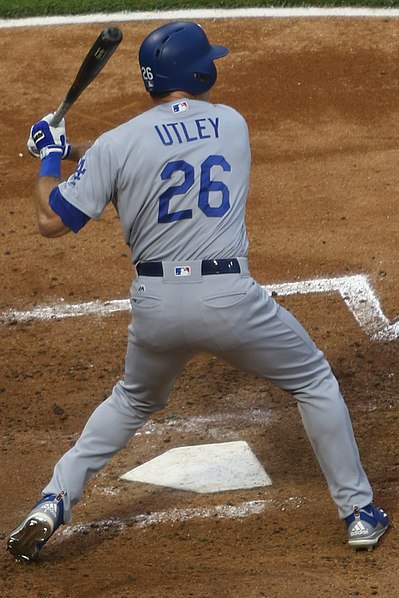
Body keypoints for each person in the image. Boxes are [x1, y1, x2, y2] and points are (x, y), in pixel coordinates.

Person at [7, 21, 388, 563]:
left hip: (156, 307)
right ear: (198, 71)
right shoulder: (233, 123)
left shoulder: (117, 145)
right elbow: (166, 157)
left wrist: (51, 154)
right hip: (231, 300)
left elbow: (54, 218)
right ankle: (358, 513)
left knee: (133, 399)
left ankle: (53, 499)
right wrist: (72, 152)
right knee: (313, 380)